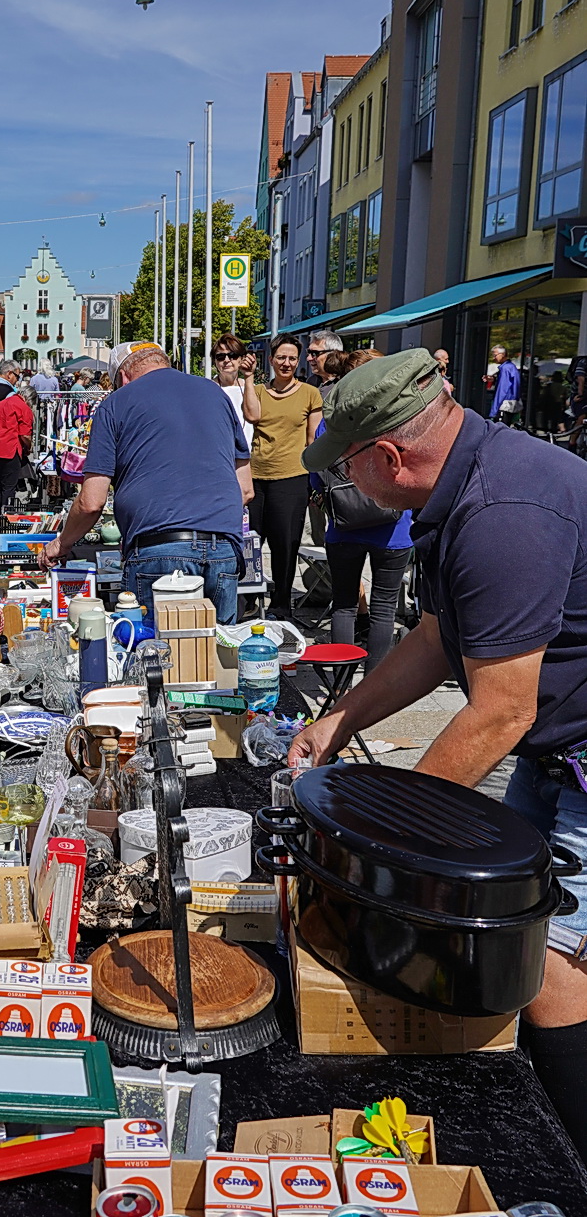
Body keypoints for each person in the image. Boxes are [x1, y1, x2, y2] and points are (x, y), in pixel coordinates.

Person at [289, 348, 587, 1160]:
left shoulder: (503, 511)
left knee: (547, 962)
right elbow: (436, 635)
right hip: (555, 751)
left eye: (340, 466)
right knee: (511, 936)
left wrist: (379, 839)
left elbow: (498, 712)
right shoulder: (463, 484)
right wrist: (343, 718)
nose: (335, 484)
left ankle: (566, 1161)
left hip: (573, 751)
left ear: (386, 455)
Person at [42, 340, 251, 623]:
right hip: (222, 547)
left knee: (156, 658)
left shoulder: (115, 403)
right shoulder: (215, 394)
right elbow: (245, 489)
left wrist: (62, 543)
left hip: (158, 549)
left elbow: (92, 502)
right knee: (215, 657)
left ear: (123, 377)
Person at [310, 347, 411, 665]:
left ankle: (339, 686)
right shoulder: (398, 416)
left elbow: (317, 473)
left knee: (344, 604)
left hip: (344, 525)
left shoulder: (333, 419)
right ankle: (373, 689)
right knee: (383, 608)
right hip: (393, 527)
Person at [248, 335, 323, 618]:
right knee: (251, 544)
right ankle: (249, 602)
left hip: (292, 477)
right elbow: (249, 418)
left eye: (292, 358)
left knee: (285, 544)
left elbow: (312, 441)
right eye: (281, 357)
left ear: (299, 361)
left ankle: (281, 604)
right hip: (256, 476)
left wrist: (314, 482)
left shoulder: (309, 394)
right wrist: (246, 380)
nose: (286, 363)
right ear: (271, 360)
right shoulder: (257, 391)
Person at [0, 376, 34, 520]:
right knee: (8, 487)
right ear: (30, 399)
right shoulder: (24, 408)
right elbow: (25, 435)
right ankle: (5, 518)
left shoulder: (2, 403)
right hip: (7, 449)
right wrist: (29, 447)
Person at [211, 333, 261, 449]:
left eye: (232, 355)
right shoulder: (208, 388)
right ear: (215, 361)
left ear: (242, 359)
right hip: (220, 453)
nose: (227, 360)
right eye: (220, 357)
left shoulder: (250, 387)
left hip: (248, 454)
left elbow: (255, 417)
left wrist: (249, 377)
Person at [485, 343, 521, 422]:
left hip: (504, 405)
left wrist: (494, 411)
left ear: (503, 354)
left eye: (495, 355)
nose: (494, 358)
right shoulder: (511, 367)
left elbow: (502, 390)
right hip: (511, 404)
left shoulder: (505, 369)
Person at [305, 331, 344, 399]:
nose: (309, 358)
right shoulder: (311, 381)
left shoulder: (344, 383)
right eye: (308, 353)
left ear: (333, 354)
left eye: (314, 353)